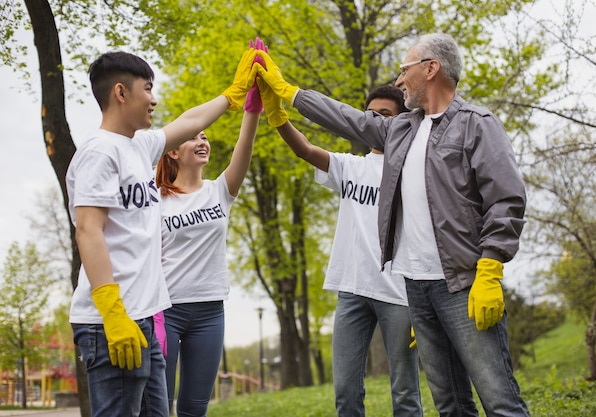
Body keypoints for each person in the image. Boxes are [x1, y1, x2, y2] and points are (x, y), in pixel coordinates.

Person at [254, 33, 530, 417]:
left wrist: (490, 266)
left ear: (431, 68)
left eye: (405, 70)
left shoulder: (476, 124)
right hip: (416, 289)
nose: (399, 81)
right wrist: (290, 93)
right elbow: (345, 118)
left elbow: (507, 198)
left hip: (463, 285)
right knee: (450, 403)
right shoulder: (401, 130)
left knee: (499, 399)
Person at [66, 45, 258, 417]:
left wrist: (233, 95)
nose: (154, 99)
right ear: (121, 93)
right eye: (148, 89)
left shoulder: (138, 146)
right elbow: (88, 230)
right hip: (113, 323)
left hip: (145, 316)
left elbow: (189, 121)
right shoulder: (99, 152)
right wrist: (113, 313)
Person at [266, 84, 421, 417]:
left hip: (399, 294)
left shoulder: (413, 170)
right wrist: (278, 118)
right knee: (346, 392)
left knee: (405, 393)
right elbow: (306, 150)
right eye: (370, 114)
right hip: (351, 291)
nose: (375, 120)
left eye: (385, 115)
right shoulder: (350, 166)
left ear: (400, 122)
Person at [156, 87, 261, 415]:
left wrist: (252, 109)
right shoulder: (155, 198)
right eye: (193, 138)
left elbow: (244, 149)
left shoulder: (220, 191)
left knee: (194, 406)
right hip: (166, 310)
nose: (203, 142)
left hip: (210, 312)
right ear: (172, 151)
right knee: (158, 403)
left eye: (205, 137)